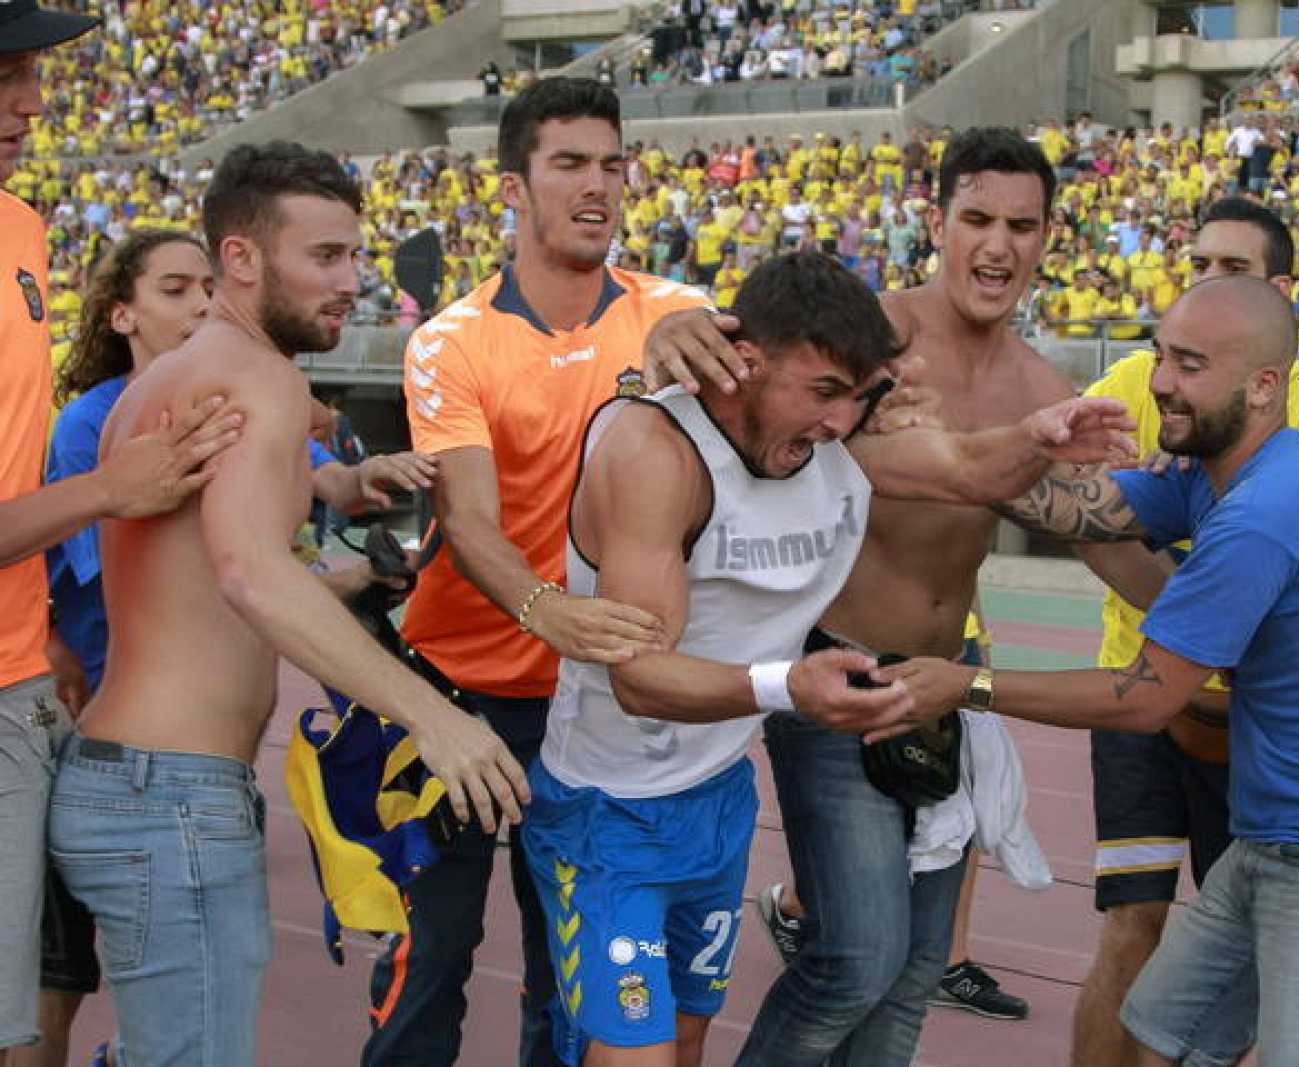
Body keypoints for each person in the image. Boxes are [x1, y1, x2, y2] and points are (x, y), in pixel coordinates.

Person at [524, 250, 1133, 1066]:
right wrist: (790, 688)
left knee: (688, 1039)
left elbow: (965, 468)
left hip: (716, 801)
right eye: (820, 391)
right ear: (744, 364)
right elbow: (639, 678)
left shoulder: (829, 444)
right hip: (609, 814)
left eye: (855, 396)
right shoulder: (654, 452)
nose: (841, 421)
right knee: (637, 1051)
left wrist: (1037, 437)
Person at [882, 274, 1299, 1066]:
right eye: (1160, 356)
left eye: (1190, 365)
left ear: (1263, 386)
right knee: (1156, 1031)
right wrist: (953, 442)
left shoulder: (1264, 513)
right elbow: (1068, 507)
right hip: (1279, 839)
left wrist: (967, 686)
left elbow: (1145, 696)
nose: (1159, 382)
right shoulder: (1214, 477)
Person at [45, 140, 530, 1067]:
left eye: (355, 255)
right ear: (241, 257)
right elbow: (249, 574)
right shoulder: (260, 377)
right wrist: (432, 716)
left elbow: (215, 569)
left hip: (138, 776)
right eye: (326, 257)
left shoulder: (169, 380)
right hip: (171, 793)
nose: (351, 281)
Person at [643, 128, 1080, 1061]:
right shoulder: (873, 337)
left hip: (944, 684)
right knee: (857, 956)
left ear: (1048, 237)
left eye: (1022, 226)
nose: (998, 245)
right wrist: (671, 327)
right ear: (938, 221)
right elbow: (741, 369)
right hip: (835, 669)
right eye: (977, 218)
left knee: (914, 973)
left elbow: (1110, 536)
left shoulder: (1041, 385)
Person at [375, 77, 711, 1067]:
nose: (597, 184)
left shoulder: (677, 314)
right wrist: (544, 608)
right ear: (513, 187)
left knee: (566, 978)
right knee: (428, 959)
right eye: (569, 163)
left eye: (612, 164)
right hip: (455, 696)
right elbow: (466, 516)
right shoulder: (450, 341)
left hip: (596, 706)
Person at [0, 7, 244, 1064]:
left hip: (25, 685)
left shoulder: (21, 228)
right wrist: (109, 488)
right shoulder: (99, 430)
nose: (32, 102)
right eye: (4, 75)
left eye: (32, 73)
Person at [1069, 196, 1299, 1067]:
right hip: (1139, 693)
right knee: (1132, 923)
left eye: (1232, 269)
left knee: (1248, 949)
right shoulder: (1133, 379)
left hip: (1249, 718)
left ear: (1280, 291)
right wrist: (1181, 620)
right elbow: (1077, 513)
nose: (1206, 281)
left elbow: (1290, 513)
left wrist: (1187, 472)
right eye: (1198, 264)